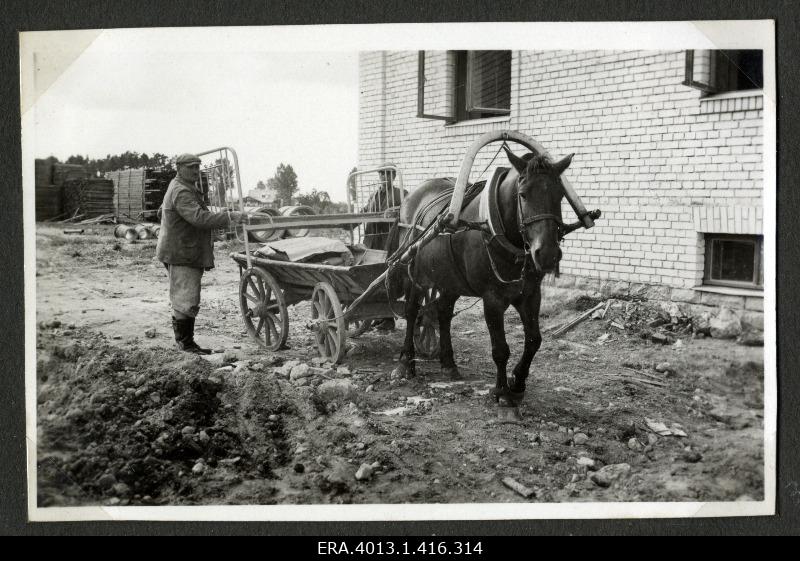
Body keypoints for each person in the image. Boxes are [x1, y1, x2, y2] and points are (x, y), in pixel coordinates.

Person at [156, 153, 246, 354]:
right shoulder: (181, 190)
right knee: (186, 298)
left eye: (198, 167)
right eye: (191, 167)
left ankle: (186, 343)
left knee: (185, 296)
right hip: (182, 252)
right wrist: (229, 216)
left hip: (180, 248)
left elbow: (161, 211)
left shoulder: (181, 186)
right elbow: (199, 218)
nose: (196, 171)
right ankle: (186, 345)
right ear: (179, 168)